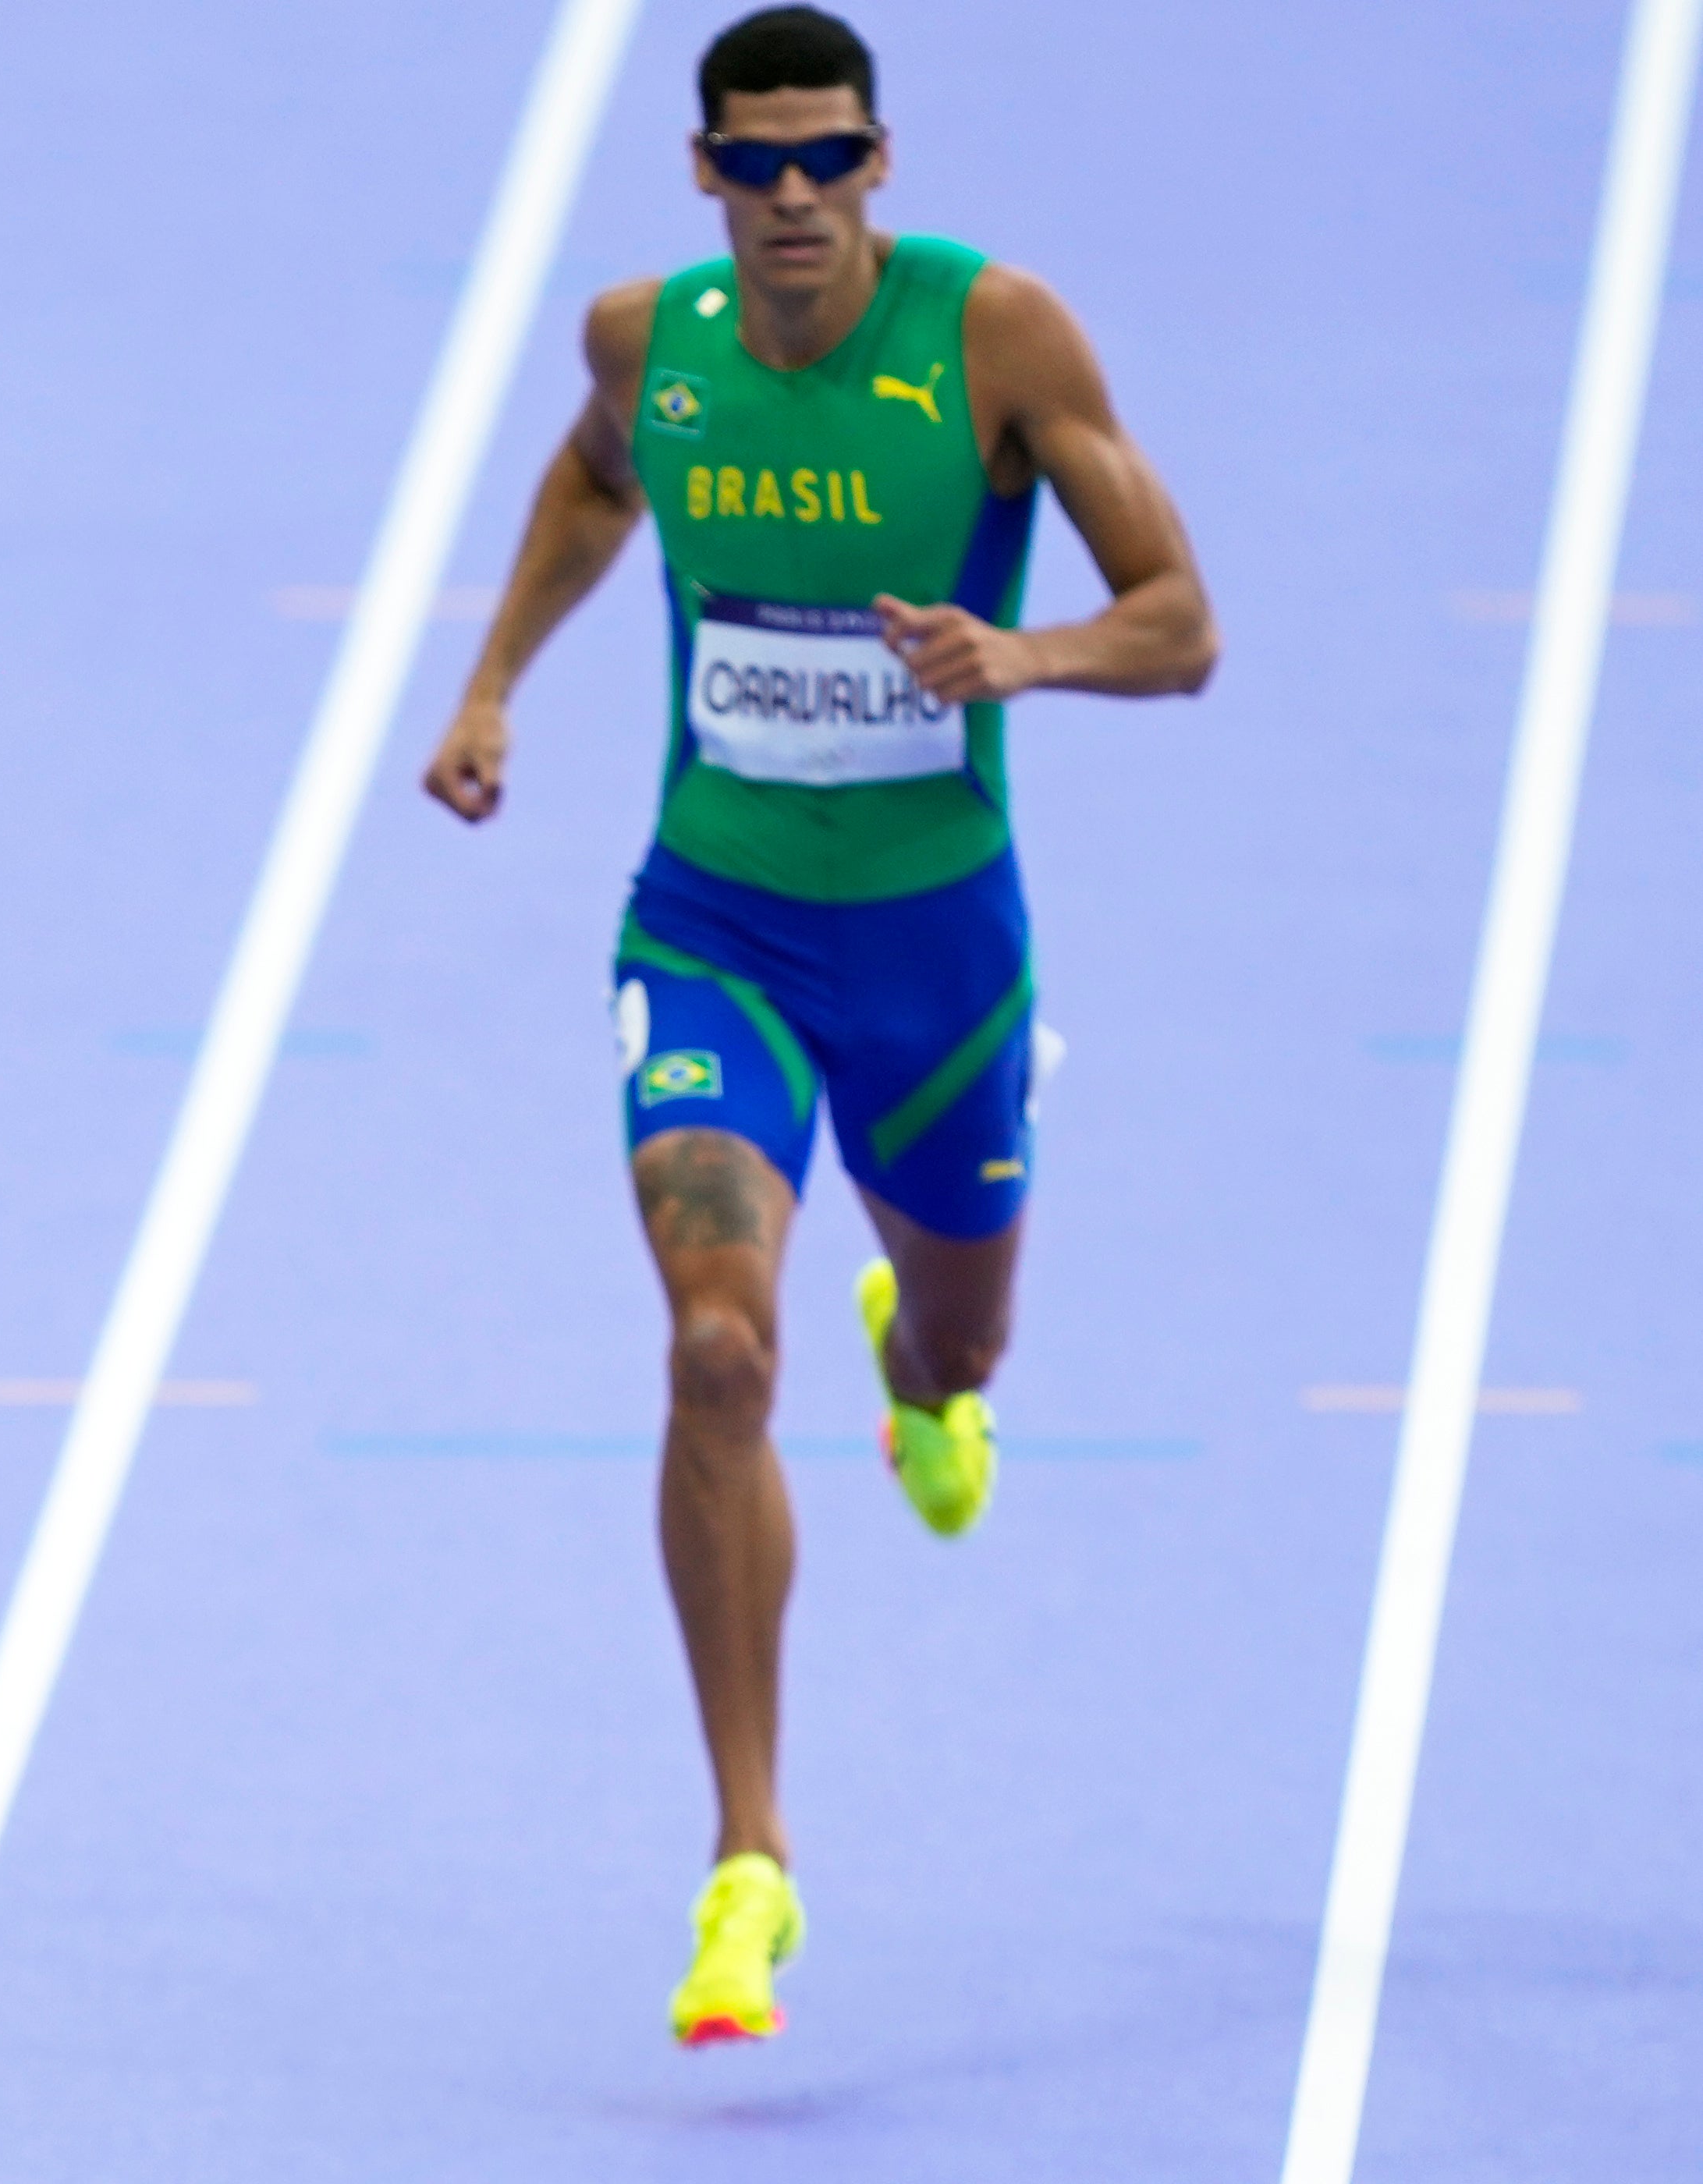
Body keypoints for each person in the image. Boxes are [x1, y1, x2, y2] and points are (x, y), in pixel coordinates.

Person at [420, 5, 1212, 2044]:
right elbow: (593, 488)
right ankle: (745, 1864)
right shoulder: (643, 343)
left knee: (954, 1339)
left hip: (938, 973)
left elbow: (1179, 625)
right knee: (706, 1348)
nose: (791, 197)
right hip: (712, 936)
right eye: (753, 163)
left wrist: (1014, 652)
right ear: (702, 175)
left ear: (879, 165)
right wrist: (494, 680)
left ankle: (924, 1369)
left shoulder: (993, 343)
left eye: (827, 159)